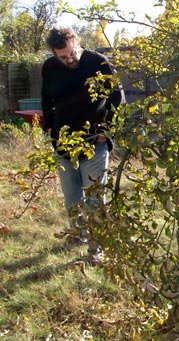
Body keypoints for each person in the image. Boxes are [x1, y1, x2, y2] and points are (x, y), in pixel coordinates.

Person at [41, 27, 125, 265]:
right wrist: (48, 126)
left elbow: (117, 98)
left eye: (71, 53)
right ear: (54, 54)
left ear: (77, 42)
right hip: (63, 140)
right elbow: (46, 99)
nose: (69, 60)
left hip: (94, 139)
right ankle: (79, 235)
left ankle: (97, 248)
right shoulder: (49, 68)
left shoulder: (98, 62)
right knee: (71, 194)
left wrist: (105, 130)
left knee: (95, 196)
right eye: (63, 57)